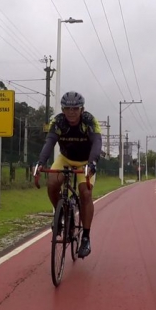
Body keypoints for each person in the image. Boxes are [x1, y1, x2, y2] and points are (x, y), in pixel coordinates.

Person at [34, 91, 102, 259]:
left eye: (75, 108)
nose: (71, 112)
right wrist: (41, 163)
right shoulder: (58, 122)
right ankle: (63, 215)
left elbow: (97, 142)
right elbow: (49, 142)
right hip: (65, 159)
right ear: (63, 109)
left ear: (82, 109)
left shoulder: (89, 121)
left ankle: (86, 237)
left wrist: (92, 163)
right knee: (52, 183)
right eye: (67, 108)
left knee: (85, 193)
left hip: (85, 161)